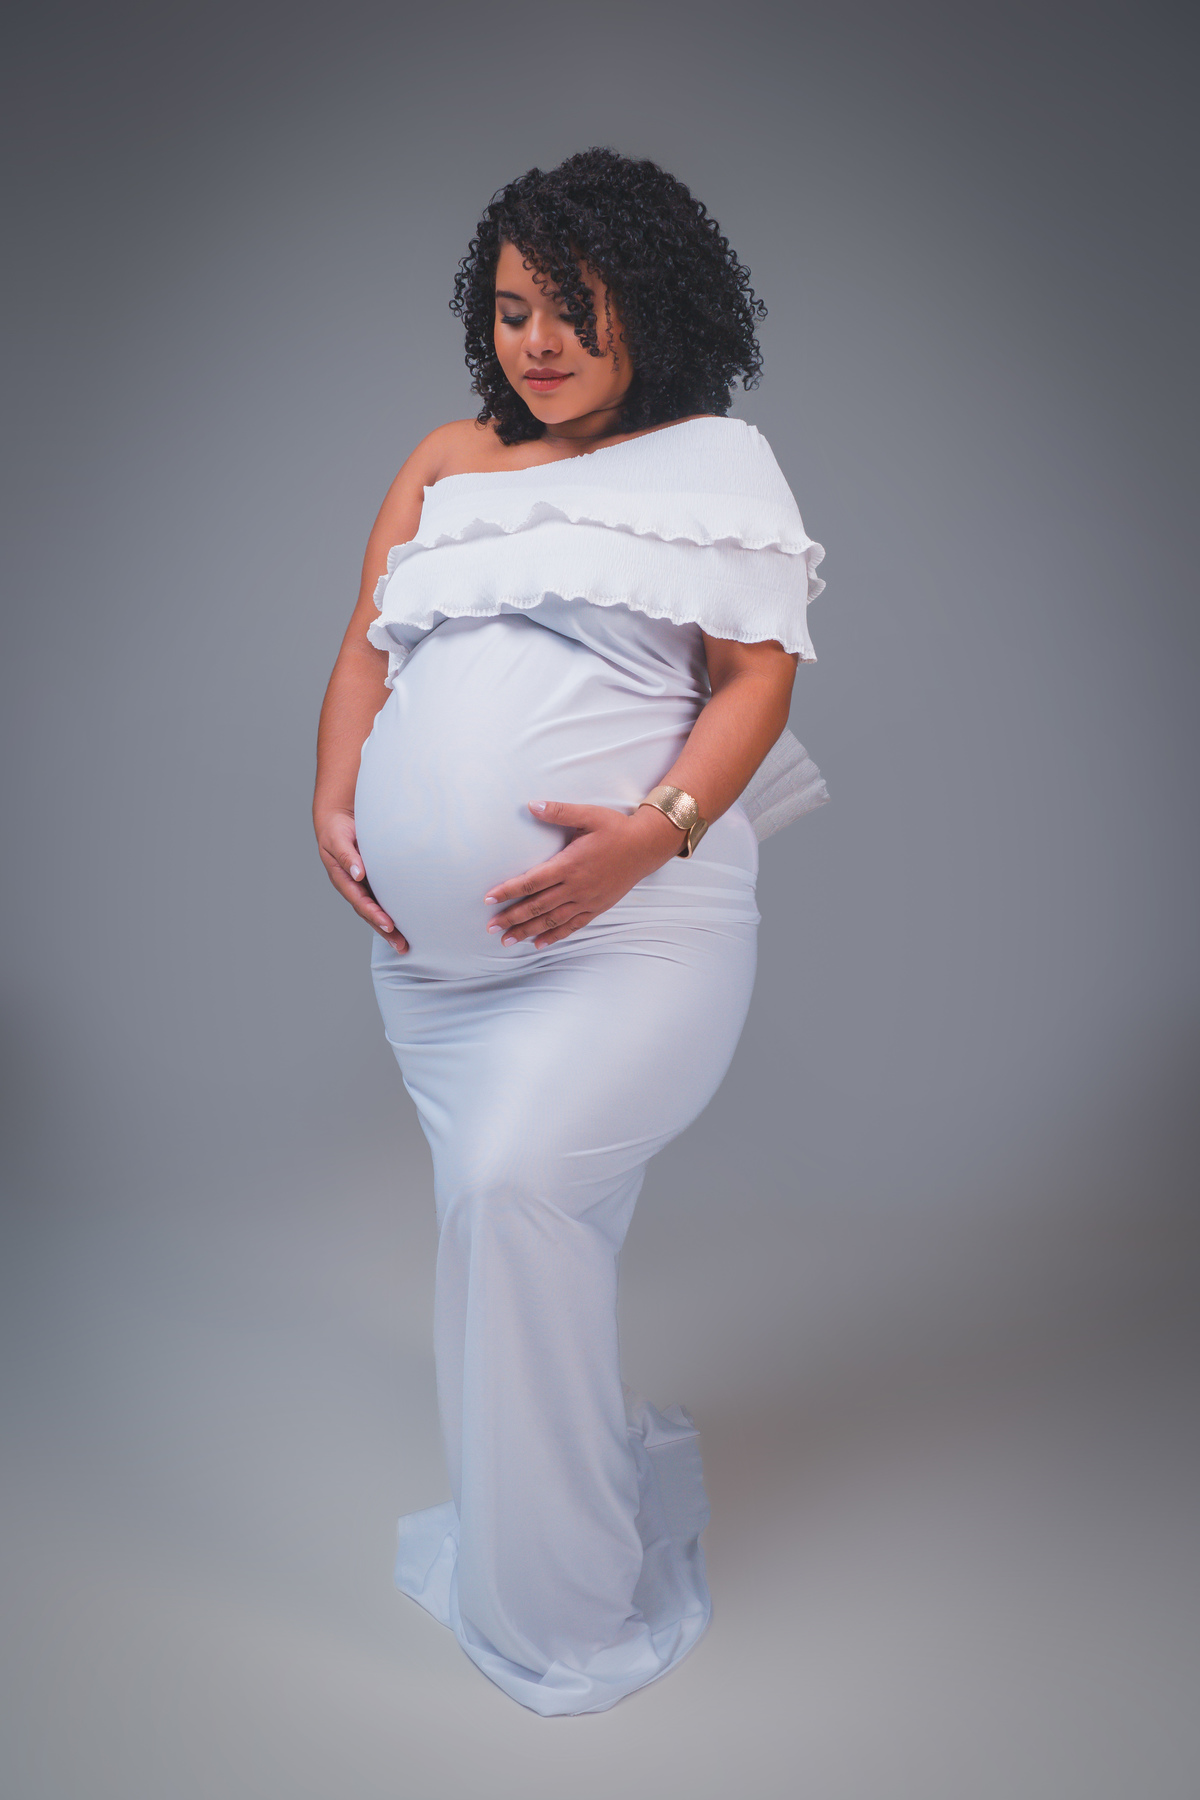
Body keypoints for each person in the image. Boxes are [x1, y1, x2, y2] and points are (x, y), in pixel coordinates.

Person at [312, 148, 827, 1715]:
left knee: (512, 1192)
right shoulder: (444, 458)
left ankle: (564, 1613)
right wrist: (336, 793)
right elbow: (363, 654)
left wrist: (652, 834)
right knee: (510, 1244)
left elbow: (754, 680)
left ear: (649, 305)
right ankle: (558, 1515)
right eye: (513, 308)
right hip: (440, 977)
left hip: (636, 933)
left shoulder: (717, 460)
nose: (536, 342)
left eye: (574, 308)